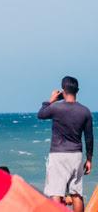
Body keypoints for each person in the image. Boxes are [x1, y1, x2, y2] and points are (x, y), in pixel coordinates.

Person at [38, 76, 93, 212]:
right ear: (77, 91)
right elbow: (89, 138)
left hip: (58, 154)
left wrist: (51, 100)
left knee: (56, 192)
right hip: (76, 155)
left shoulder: (56, 108)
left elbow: (41, 114)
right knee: (76, 193)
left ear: (63, 91)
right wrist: (89, 159)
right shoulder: (85, 111)